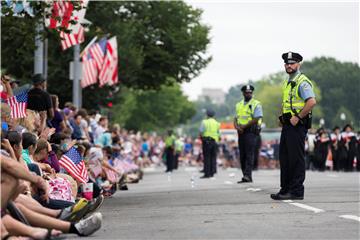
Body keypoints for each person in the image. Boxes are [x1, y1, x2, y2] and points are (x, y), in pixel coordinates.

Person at [271, 51, 316, 200]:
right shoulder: (287, 82)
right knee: (285, 158)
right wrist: (282, 117)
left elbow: (311, 102)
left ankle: (296, 191)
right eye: (287, 63)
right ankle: (285, 189)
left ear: (298, 64)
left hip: (297, 125)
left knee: (296, 159)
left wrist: (297, 117)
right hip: (288, 124)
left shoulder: (302, 82)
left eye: (292, 63)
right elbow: (287, 103)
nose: (289, 66)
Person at [234, 85, 263, 183]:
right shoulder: (239, 104)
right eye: (246, 92)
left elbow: (257, 118)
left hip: (251, 131)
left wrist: (243, 127)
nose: (248, 94)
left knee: (249, 154)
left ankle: (248, 175)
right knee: (242, 155)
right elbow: (235, 118)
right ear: (243, 93)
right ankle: (245, 175)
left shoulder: (256, 104)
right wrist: (237, 127)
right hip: (241, 132)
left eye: (250, 92)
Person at [199, 109, 220, 178]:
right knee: (213, 157)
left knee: (207, 157)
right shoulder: (217, 123)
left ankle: (207, 173)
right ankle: (212, 172)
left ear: (207, 115)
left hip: (206, 141)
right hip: (214, 141)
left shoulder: (204, 122)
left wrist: (201, 138)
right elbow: (218, 134)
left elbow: (201, 132)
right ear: (214, 115)